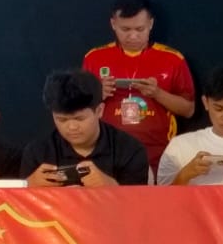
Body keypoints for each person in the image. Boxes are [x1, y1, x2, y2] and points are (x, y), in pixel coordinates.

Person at [82, 0, 195, 172]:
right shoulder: (94, 58)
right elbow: (77, 109)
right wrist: (98, 94)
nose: (133, 36)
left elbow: (188, 110)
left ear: (151, 24)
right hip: (106, 153)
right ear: (113, 24)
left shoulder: (172, 59)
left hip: (159, 154)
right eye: (125, 29)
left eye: (140, 29)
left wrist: (158, 93)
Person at [22, 70, 150, 187]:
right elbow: (21, 202)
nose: (72, 127)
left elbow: (139, 202)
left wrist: (113, 188)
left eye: (79, 119)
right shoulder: (37, 152)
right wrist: (28, 187)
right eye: (62, 120)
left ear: (99, 111)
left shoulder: (130, 150)